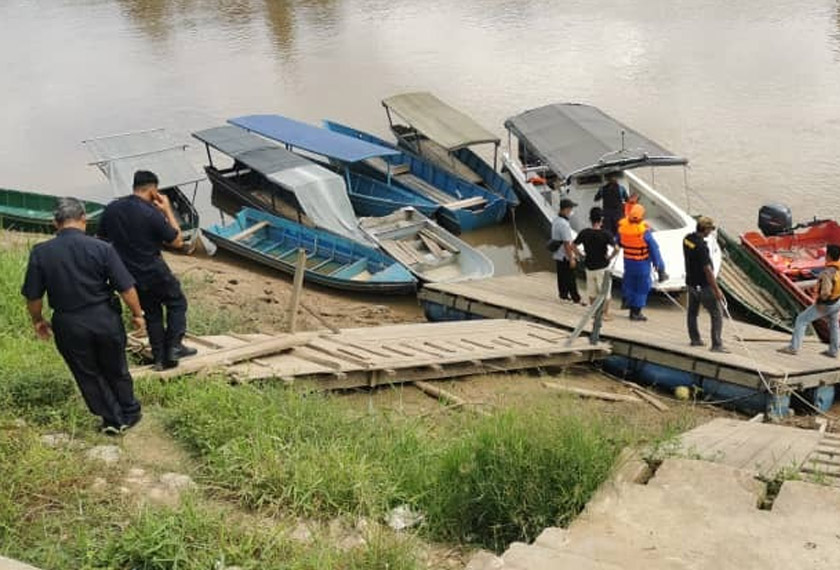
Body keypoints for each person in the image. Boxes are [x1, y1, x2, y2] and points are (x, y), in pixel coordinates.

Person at [21, 198, 144, 434]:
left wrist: (37, 320)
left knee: (87, 372)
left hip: (69, 322)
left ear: (55, 223)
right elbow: (126, 287)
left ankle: (112, 419)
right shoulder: (102, 248)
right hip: (105, 317)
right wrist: (137, 314)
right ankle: (129, 411)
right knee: (117, 366)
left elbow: (33, 296)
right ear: (84, 220)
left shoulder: (41, 253)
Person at [98, 170, 196, 370]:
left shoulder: (111, 209)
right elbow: (177, 241)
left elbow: (102, 240)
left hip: (129, 274)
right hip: (154, 270)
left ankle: (160, 358)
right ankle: (175, 346)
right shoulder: (151, 213)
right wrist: (167, 209)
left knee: (152, 312)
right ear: (153, 190)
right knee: (177, 302)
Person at [778, 244, 840, 358]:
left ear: (829, 256)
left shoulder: (827, 273)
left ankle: (793, 348)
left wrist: (820, 303)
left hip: (826, 304)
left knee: (801, 319)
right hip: (837, 302)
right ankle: (834, 351)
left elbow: (825, 292)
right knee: (834, 324)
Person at [683, 217, 728, 352]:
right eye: (710, 229)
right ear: (706, 229)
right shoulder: (702, 247)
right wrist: (716, 290)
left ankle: (695, 339)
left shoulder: (687, 239)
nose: (711, 232)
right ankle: (717, 344)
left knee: (692, 312)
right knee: (716, 313)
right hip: (703, 285)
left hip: (691, 282)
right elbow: (707, 269)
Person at [618, 204, 667, 321]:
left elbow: (618, 242)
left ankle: (627, 301)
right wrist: (661, 269)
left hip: (628, 264)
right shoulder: (644, 233)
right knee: (642, 287)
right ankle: (636, 313)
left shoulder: (623, 230)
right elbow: (655, 252)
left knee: (629, 284)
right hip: (642, 265)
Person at [574, 207, 619, 319]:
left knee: (592, 291)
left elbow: (572, 246)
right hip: (602, 267)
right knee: (605, 292)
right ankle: (605, 314)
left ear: (590, 219)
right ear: (601, 219)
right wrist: (610, 257)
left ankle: (594, 313)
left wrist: (580, 255)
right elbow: (617, 248)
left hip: (589, 266)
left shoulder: (584, 233)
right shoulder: (606, 234)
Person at [550, 198, 583, 304]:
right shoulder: (564, 224)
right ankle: (576, 298)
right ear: (565, 209)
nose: (571, 211)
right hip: (564, 254)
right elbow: (566, 243)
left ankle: (563, 295)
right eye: (570, 209)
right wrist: (571, 258)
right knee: (570, 277)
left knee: (561, 275)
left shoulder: (555, 220)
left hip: (557, 254)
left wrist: (577, 252)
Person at [594, 172, 629, 237]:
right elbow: (627, 199)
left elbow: (596, 198)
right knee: (619, 230)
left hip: (607, 214)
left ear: (607, 180)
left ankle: (611, 243)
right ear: (617, 179)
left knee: (608, 231)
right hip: (618, 213)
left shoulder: (602, 189)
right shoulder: (621, 188)